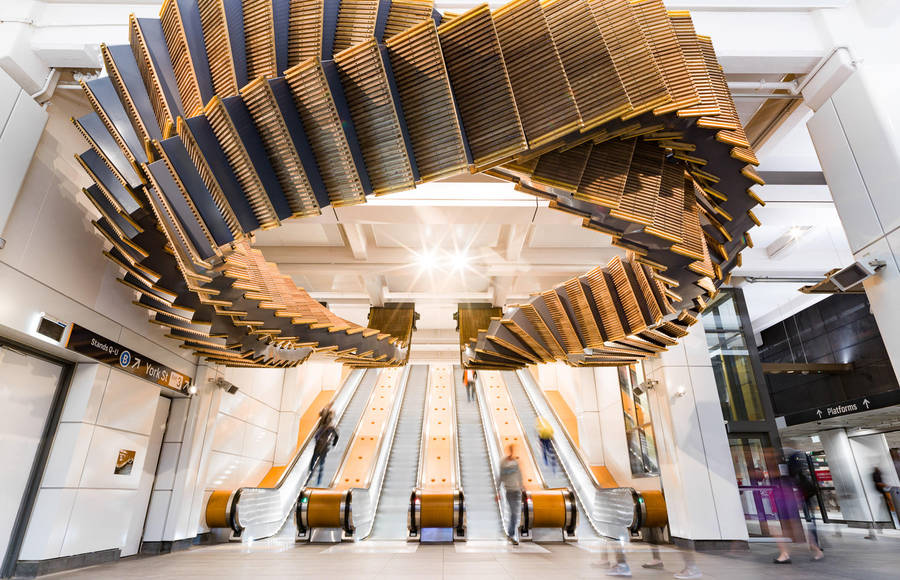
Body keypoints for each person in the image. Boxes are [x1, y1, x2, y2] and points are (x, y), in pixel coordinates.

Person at [773, 449, 823, 563]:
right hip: (792, 499)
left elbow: (792, 484)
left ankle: (814, 548)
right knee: (793, 526)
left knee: (795, 526)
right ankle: (813, 548)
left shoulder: (789, 469)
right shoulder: (788, 469)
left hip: (793, 499)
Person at [499, 444, 523, 545]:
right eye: (510, 449)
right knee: (513, 512)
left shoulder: (515, 462)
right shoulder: (504, 462)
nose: (512, 451)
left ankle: (511, 534)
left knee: (515, 513)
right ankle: (511, 534)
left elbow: (520, 476)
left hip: (517, 490)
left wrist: (522, 487)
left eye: (513, 449)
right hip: (509, 491)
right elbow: (500, 476)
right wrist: (497, 491)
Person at [309, 420, 338, 486]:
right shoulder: (331, 428)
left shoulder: (323, 428)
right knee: (321, 465)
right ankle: (318, 482)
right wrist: (333, 444)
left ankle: (310, 477)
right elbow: (337, 436)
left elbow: (316, 436)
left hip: (319, 448)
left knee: (313, 463)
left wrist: (318, 441)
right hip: (324, 449)